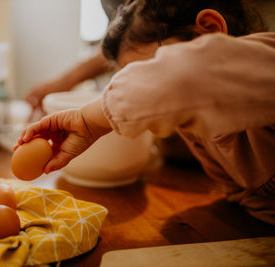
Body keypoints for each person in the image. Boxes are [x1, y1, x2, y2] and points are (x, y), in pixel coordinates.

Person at [16, 0, 275, 224]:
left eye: (146, 73)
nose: (143, 92)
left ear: (209, 31)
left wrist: (89, 119)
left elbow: (184, 75)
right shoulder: (198, 130)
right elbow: (243, 195)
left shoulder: (266, 59)